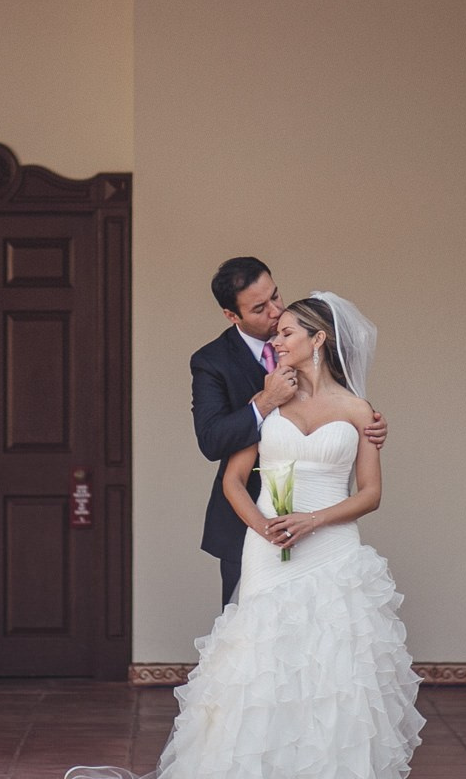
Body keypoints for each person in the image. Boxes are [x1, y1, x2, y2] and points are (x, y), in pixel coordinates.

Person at [70, 294, 423, 779]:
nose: (276, 339)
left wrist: (311, 521)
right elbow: (233, 481)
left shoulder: (361, 411)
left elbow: (371, 494)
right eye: (275, 331)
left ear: (318, 339)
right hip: (268, 542)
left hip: (333, 547)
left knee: (333, 663)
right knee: (263, 658)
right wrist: (266, 530)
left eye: (286, 332)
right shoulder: (270, 400)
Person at [191, 258, 386, 605]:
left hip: (328, 534)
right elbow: (212, 440)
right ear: (232, 315)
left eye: (276, 296)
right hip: (251, 524)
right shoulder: (212, 361)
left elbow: (367, 482)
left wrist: (363, 428)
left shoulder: (302, 326)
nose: (275, 311)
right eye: (260, 308)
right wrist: (265, 403)